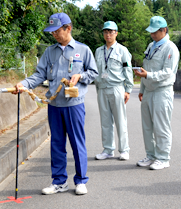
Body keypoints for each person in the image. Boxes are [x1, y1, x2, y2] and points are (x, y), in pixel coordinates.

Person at [13, 13, 98, 195]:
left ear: (68, 28)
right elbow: (39, 75)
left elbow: (93, 72)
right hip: (54, 105)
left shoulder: (83, 50)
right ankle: (59, 181)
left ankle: (81, 180)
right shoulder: (49, 52)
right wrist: (23, 84)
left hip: (74, 104)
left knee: (77, 143)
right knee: (57, 144)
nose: (54, 35)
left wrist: (80, 76)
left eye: (57, 31)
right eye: (52, 32)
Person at [134, 16, 179, 170]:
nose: (152, 34)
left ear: (164, 30)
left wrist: (148, 76)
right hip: (148, 91)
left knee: (161, 126)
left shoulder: (170, 48)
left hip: (162, 91)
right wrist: (142, 89)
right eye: (151, 32)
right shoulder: (151, 46)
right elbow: (147, 65)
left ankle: (163, 157)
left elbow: (167, 72)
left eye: (155, 32)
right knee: (147, 126)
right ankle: (151, 155)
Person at [94, 21, 133, 161]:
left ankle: (124, 150)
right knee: (105, 121)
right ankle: (108, 150)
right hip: (102, 89)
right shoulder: (98, 51)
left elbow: (127, 70)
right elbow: (97, 72)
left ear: (116, 33)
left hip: (117, 88)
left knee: (120, 120)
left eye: (111, 32)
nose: (108, 34)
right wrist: (98, 88)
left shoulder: (122, 50)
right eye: (105, 32)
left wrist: (128, 89)